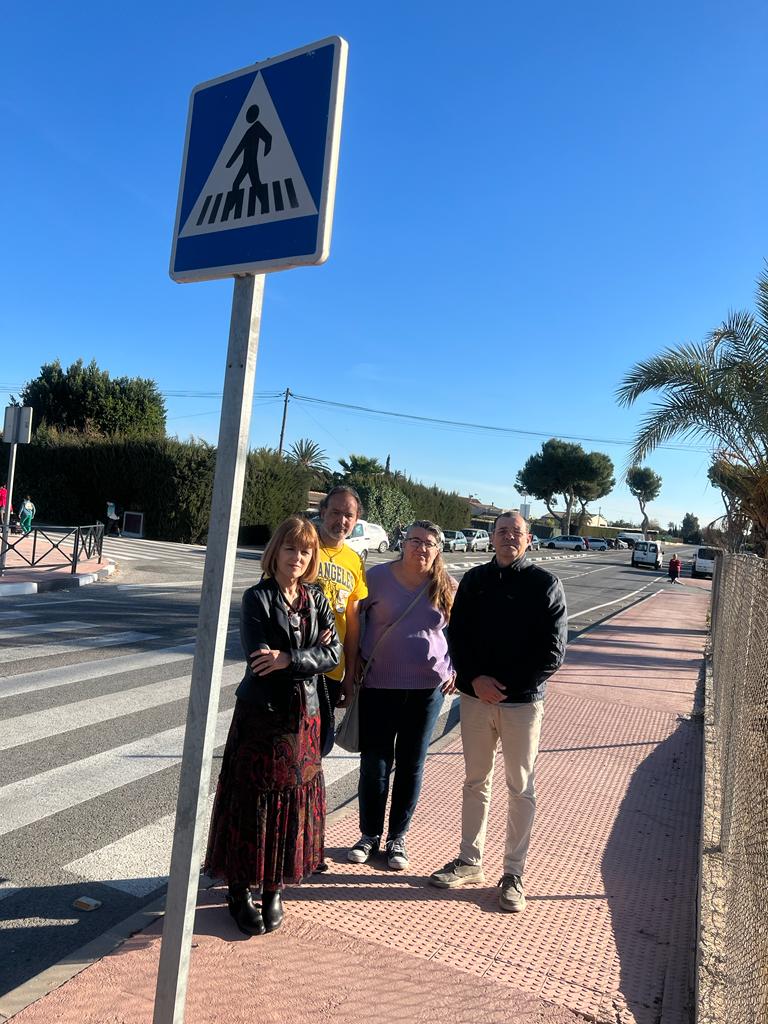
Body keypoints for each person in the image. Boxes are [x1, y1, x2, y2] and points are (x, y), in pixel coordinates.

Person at [204, 516, 341, 936]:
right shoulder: (257, 599)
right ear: (275, 552)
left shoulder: (316, 598)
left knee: (293, 804)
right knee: (254, 803)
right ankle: (240, 889)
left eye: (305, 551)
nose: (297, 558)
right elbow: (260, 660)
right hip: (262, 720)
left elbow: (333, 652)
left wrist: (290, 659)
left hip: (305, 720)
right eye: (290, 549)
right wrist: (296, 658)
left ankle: (274, 886)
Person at [429, 512, 567, 913]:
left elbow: (553, 653)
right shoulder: (474, 581)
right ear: (492, 538)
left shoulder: (545, 584)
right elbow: (456, 637)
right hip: (474, 700)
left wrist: (504, 688)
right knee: (475, 782)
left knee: (520, 787)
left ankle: (514, 873)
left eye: (517, 532)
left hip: (522, 704)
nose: (509, 537)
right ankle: (470, 862)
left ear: (528, 540)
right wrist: (475, 681)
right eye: (502, 531)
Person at [348, 520, 458, 871]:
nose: (420, 548)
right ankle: (368, 835)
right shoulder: (377, 577)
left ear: (438, 550)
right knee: (375, 763)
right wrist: (351, 663)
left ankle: (398, 837)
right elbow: (351, 618)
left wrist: (456, 668)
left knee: (411, 764)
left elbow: (463, 631)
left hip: (427, 690)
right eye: (414, 541)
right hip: (378, 684)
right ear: (402, 542)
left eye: (428, 543)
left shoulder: (446, 585)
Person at [314, 486, 368, 710]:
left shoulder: (354, 561)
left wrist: (350, 672)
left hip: (332, 667)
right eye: (336, 512)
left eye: (349, 515)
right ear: (323, 512)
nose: (342, 520)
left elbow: (352, 621)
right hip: (296, 664)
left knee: (321, 741)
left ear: (356, 521)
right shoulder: (301, 548)